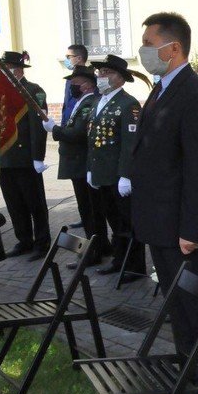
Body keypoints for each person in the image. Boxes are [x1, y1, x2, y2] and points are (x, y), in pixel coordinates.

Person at [131, 12, 198, 394]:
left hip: (183, 227)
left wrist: (192, 229)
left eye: (149, 44)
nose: (143, 51)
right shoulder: (163, 87)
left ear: (172, 49)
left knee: (194, 308)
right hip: (160, 221)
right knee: (177, 306)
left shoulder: (194, 94)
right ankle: (188, 369)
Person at [42, 65, 109, 268]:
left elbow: (78, 133)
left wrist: (54, 129)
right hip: (78, 165)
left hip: (82, 164)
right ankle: (101, 246)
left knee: (90, 210)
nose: (71, 86)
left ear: (87, 85)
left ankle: (94, 251)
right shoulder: (83, 102)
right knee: (89, 209)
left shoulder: (89, 103)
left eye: (75, 83)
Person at [87, 55, 145, 282]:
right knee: (114, 220)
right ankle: (119, 260)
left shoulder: (128, 104)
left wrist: (125, 175)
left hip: (118, 175)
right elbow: (92, 139)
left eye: (107, 72)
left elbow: (130, 143)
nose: (101, 76)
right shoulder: (98, 101)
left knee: (127, 222)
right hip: (102, 173)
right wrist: (90, 169)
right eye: (100, 72)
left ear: (120, 78)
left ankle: (135, 266)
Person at [0, 51, 51, 262]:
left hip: (25, 157)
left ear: (17, 70)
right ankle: (24, 240)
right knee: (14, 203)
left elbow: (38, 126)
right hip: (5, 157)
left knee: (34, 203)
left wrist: (38, 156)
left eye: (6, 68)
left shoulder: (33, 90)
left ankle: (42, 242)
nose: (3, 72)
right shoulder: (0, 91)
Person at [61, 44, 88, 124]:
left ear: (79, 58)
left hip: (81, 124)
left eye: (68, 57)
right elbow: (66, 105)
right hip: (67, 125)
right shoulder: (69, 79)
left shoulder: (91, 79)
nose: (66, 60)